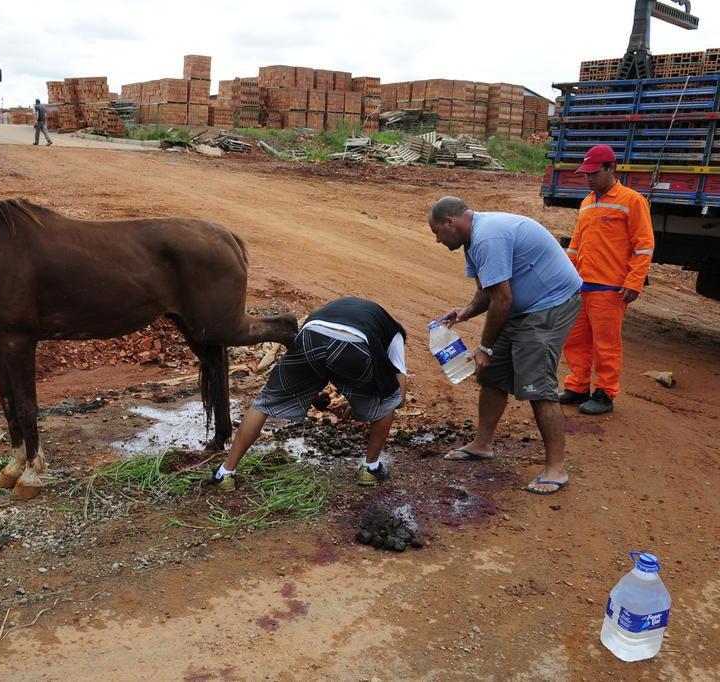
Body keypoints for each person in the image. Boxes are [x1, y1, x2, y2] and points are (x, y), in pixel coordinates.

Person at [428, 197, 582, 495]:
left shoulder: (488, 237)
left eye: (437, 232)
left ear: (451, 222)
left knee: (537, 384)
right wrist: (465, 313)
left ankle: (556, 469)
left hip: (550, 304)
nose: (437, 239)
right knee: (492, 376)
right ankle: (483, 444)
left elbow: (503, 299)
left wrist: (485, 347)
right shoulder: (472, 240)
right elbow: (487, 292)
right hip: (521, 308)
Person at [208, 296, 407, 491]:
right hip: (352, 344)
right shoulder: (395, 334)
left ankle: (225, 473)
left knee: (264, 403)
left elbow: (310, 371)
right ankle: (370, 469)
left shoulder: (337, 310)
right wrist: (369, 404)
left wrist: (354, 403)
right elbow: (399, 398)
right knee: (388, 399)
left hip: (312, 334)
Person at [560, 144, 654, 415]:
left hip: (610, 287)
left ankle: (605, 393)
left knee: (606, 344)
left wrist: (634, 282)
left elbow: (644, 246)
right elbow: (575, 245)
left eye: (593, 173)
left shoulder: (632, 201)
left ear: (611, 168)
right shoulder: (587, 202)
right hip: (581, 285)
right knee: (575, 340)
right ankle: (577, 386)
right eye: (586, 174)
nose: (589, 178)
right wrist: (567, 278)